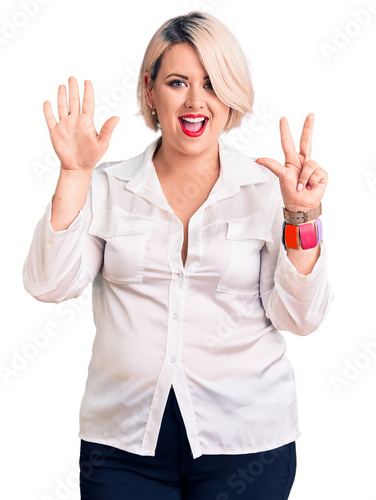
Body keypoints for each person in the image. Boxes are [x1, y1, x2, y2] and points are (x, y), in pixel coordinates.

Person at [23, 11, 332, 500]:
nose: (195, 102)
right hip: (123, 447)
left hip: (247, 444)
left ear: (230, 96)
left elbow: (300, 317)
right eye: (177, 82)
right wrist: (74, 175)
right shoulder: (107, 186)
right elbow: (49, 284)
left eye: (212, 84)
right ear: (150, 91)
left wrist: (301, 217)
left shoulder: (268, 190)